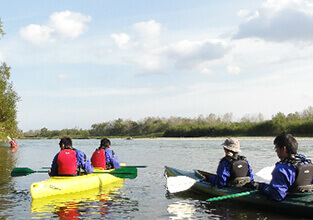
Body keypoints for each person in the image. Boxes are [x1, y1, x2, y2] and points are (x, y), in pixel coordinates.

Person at [246, 133, 313, 201]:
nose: (276, 150)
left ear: (284, 149)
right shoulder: (308, 164)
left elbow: (277, 195)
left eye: (276, 147)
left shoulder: (282, 168)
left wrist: (260, 186)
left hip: (292, 200)